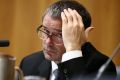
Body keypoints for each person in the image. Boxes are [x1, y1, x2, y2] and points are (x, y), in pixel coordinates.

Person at [20, 0, 117, 80]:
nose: (48, 42)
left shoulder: (101, 67)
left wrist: (73, 49)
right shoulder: (29, 63)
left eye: (60, 35)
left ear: (82, 36)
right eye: (45, 30)